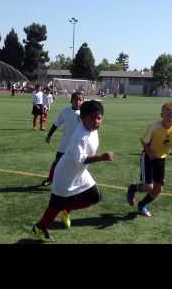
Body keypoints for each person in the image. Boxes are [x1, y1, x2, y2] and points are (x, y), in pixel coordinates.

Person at [32, 100, 113, 242]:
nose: (96, 121)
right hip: (65, 174)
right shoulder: (80, 135)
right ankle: (39, 227)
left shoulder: (92, 129)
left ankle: (65, 209)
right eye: (92, 118)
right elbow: (80, 160)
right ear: (82, 118)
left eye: (99, 117)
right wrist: (101, 157)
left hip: (80, 173)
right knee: (54, 207)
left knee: (95, 197)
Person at [126, 102, 172, 217]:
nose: (171, 118)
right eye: (168, 115)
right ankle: (133, 188)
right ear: (162, 115)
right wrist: (149, 153)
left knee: (158, 189)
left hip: (161, 159)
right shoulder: (155, 127)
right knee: (149, 187)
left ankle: (142, 205)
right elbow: (144, 141)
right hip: (148, 158)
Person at [41, 91, 84, 187]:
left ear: (83, 101)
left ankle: (77, 182)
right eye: (75, 99)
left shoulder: (84, 114)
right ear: (71, 100)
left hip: (79, 144)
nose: (77, 102)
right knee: (57, 162)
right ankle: (50, 178)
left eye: (80, 100)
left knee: (78, 164)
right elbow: (56, 124)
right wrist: (49, 135)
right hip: (65, 144)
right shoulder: (65, 111)